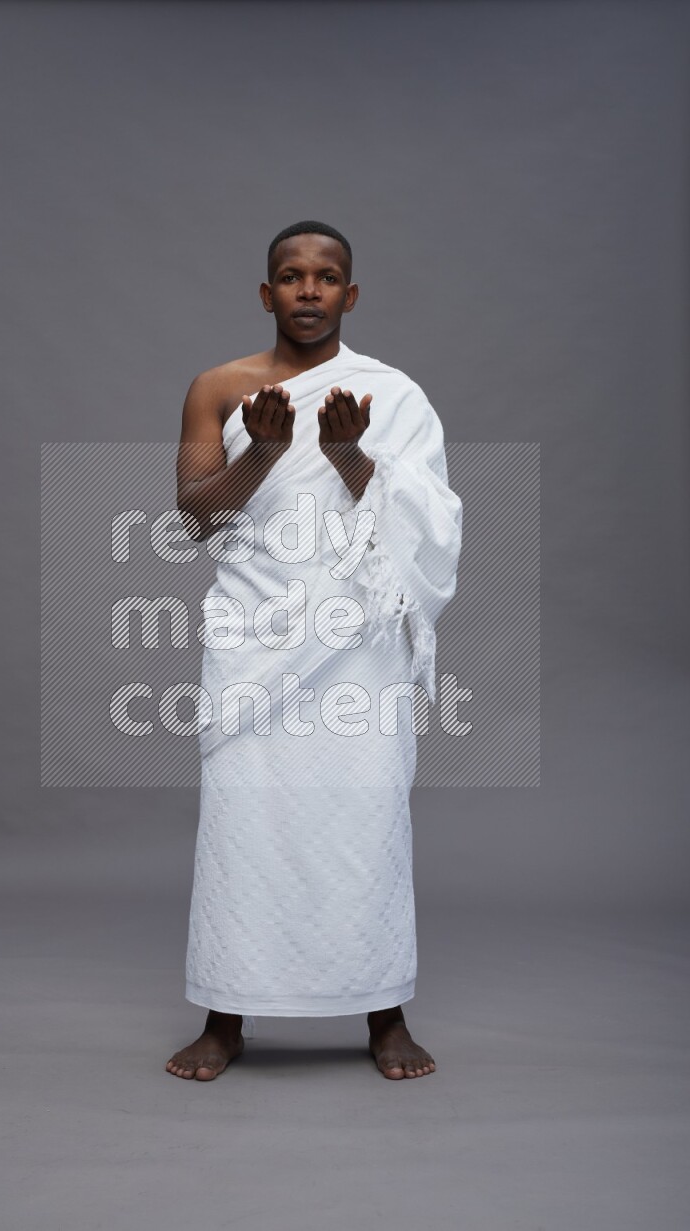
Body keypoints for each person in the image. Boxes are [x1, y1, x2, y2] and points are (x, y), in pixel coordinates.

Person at [165, 220, 463, 1080]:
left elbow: (431, 524)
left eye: (325, 276)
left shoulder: (391, 395)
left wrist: (348, 456)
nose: (306, 289)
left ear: (350, 294)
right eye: (289, 276)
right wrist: (261, 451)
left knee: (362, 821)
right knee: (242, 824)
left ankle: (383, 1012)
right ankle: (225, 1017)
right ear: (266, 293)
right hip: (253, 638)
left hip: (355, 646)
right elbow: (196, 519)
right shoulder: (218, 388)